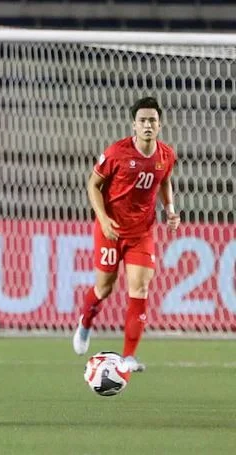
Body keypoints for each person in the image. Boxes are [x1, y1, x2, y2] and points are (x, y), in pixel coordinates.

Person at [72, 97, 180, 372]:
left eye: (152, 120)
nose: (148, 125)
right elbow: (93, 184)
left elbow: (165, 181)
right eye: (142, 120)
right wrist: (103, 219)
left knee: (140, 288)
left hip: (142, 233)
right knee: (104, 288)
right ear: (134, 125)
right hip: (111, 229)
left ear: (160, 124)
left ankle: (129, 356)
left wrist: (170, 209)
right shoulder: (117, 153)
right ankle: (86, 321)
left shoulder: (166, 155)